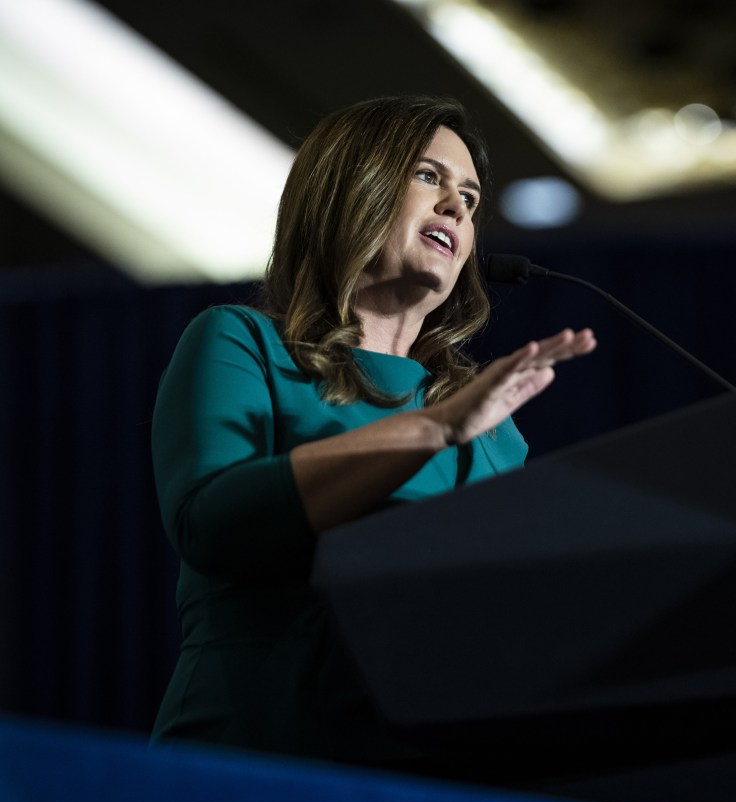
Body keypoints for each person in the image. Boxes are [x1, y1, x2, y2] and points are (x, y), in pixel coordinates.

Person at [149, 96, 595, 764]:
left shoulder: (499, 436)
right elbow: (212, 526)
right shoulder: (243, 344)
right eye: (428, 177)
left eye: (470, 199)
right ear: (349, 190)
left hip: (422, 783)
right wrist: (432, 430)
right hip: (243, 763)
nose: (457, 208)